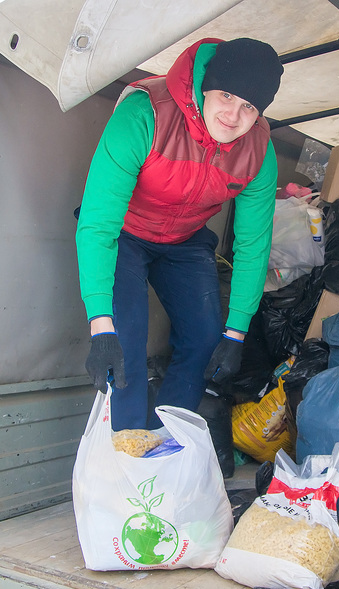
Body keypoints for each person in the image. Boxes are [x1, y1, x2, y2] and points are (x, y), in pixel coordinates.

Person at [76, 37, 284, 431]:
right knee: (127, 345)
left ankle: (167, 441)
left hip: (185, 239)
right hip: (125, 233)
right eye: (226, 94)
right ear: (207, 84)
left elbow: (254, 245)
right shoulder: (146, 114)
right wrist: (101, 325)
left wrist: (237, 331)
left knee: (206, 340)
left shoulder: (259, 152)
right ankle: (128, 448)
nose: (233, 114)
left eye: (249, 106)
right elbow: (98, 222)